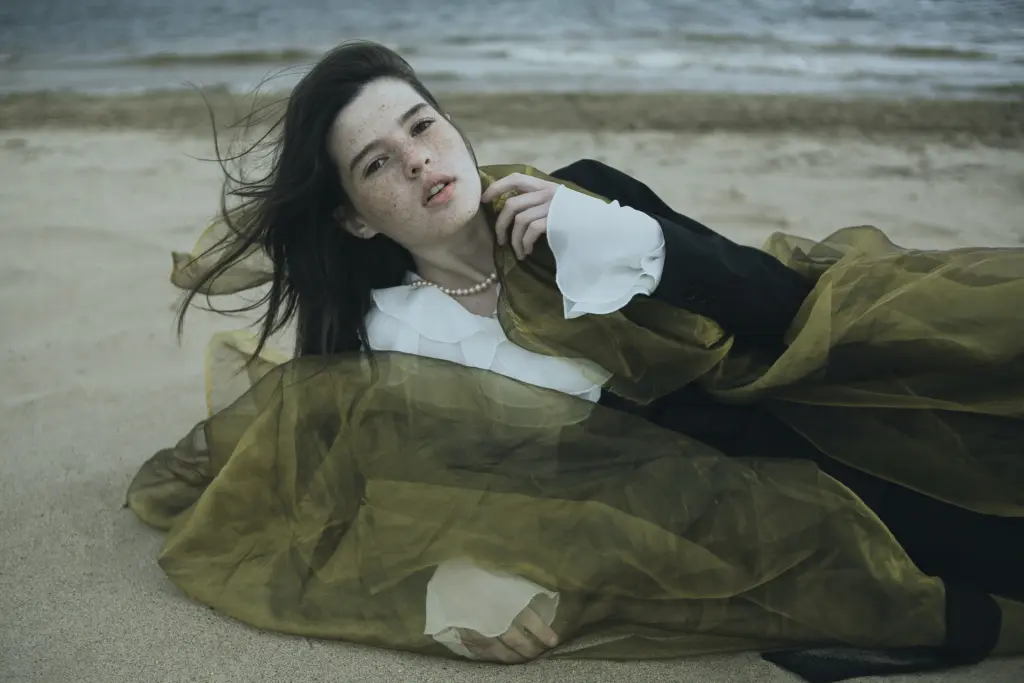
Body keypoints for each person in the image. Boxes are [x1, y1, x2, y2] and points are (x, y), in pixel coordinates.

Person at [127, 40, 1024, 681]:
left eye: (423, 126)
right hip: (679, 537)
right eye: (379, 162)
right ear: (357, 216)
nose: (422, 162)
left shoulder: (581, 198)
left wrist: (636, 239)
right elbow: (372, 507)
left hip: (808, 417)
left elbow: (781, 309)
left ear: (454, 125)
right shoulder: (381, 342)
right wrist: (450, 579)